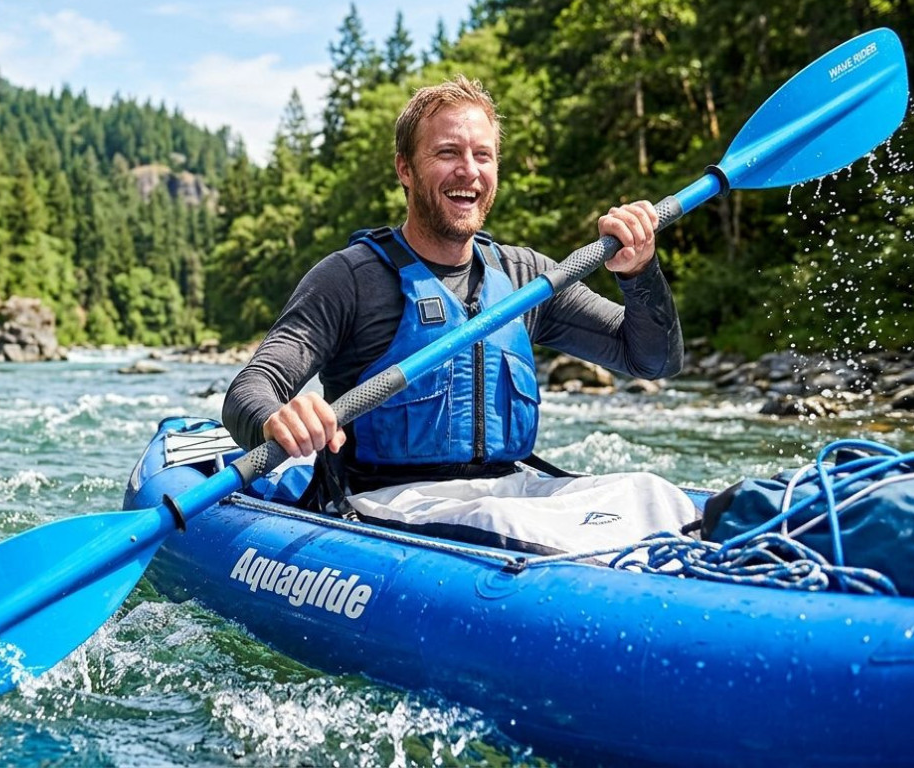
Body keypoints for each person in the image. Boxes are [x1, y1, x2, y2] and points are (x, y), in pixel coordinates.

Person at [221, 75, 696, 553]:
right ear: (405, 169)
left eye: (482, 155)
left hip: (512, 489)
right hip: (388, 503)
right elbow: (250, 388)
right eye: (448, 153)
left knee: (655, 494)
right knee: (499, 519)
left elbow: (652, 360)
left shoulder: (526, 276)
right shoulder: (351, 279)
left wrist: (640, 272)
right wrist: (279, 417)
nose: (468, 170)